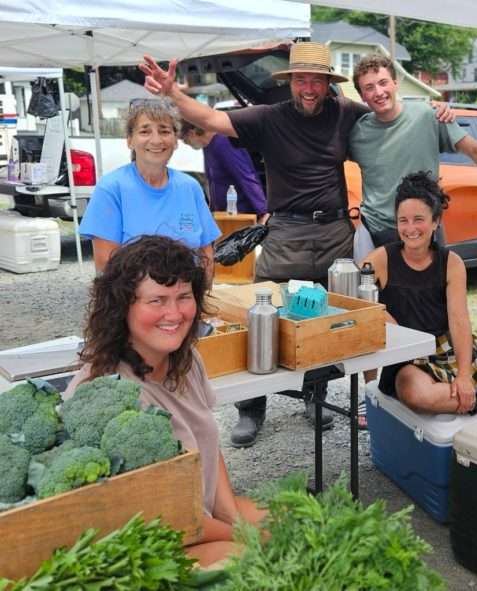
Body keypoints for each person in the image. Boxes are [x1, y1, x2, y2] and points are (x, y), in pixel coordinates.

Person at [140, 42, 371, 442]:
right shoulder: (269, 117)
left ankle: (314, 397)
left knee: (324, 322)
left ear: (328, 83)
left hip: (335, 234)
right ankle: (252, 407)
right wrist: (171, 93)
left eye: (317, 80)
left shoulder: (345, 112)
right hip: (285, 232)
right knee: (260, 316)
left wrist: (438, 113)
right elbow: (210, 118)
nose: (309, 88)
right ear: (291, 82)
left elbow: (388, 116)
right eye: (302, 80)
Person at [64, 235, 268, 567]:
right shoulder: (103, 392)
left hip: (196, 517)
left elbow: (208, 447)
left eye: (183, 297)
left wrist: (236, 521)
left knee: (292, 522)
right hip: (147, 543)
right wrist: (241, 537)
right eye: (156, 300)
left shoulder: (186, 361)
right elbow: (161, 518)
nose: (173, 313)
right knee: (248, 560)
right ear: (123, 306)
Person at [363, 172, 477, 413]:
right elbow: (355, 302)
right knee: (418, 396)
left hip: (452, 347)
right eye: (403, 220)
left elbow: (459, 320)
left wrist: (465, 375)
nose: (410, 228)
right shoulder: (380, 259)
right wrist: (383, 317)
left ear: (436, 221)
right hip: (410, 358)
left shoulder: (451, 263)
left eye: (418, 219)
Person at [350, 54, 477, 258]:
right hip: (374, 231)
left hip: (422, 229)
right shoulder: (358, 133)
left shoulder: (428, 116)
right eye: (369, 87)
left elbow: (475, 150)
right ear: (362, 95)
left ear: (395, 83)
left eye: (383, 83)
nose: (378, 92)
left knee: (428, 289)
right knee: (366, 290)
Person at [79, 100, 220, 278]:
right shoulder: (111, 188)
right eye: (145, 131)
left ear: (175, 141)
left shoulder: (190, 187)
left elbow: (206, 254)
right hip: (132, 299)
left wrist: (198, 297)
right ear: (130, 140)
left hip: (185, 298)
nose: (156, 140)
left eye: (164, 131)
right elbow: (106, 267)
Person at [180, 120, 268, 222]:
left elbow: (246, 175)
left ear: (192, 133)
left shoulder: (223, 142)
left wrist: (263, 212)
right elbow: (213, 183)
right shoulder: (207, 146)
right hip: (224, 216)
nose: (185, 143)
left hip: (241, 215)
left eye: (184, 139)